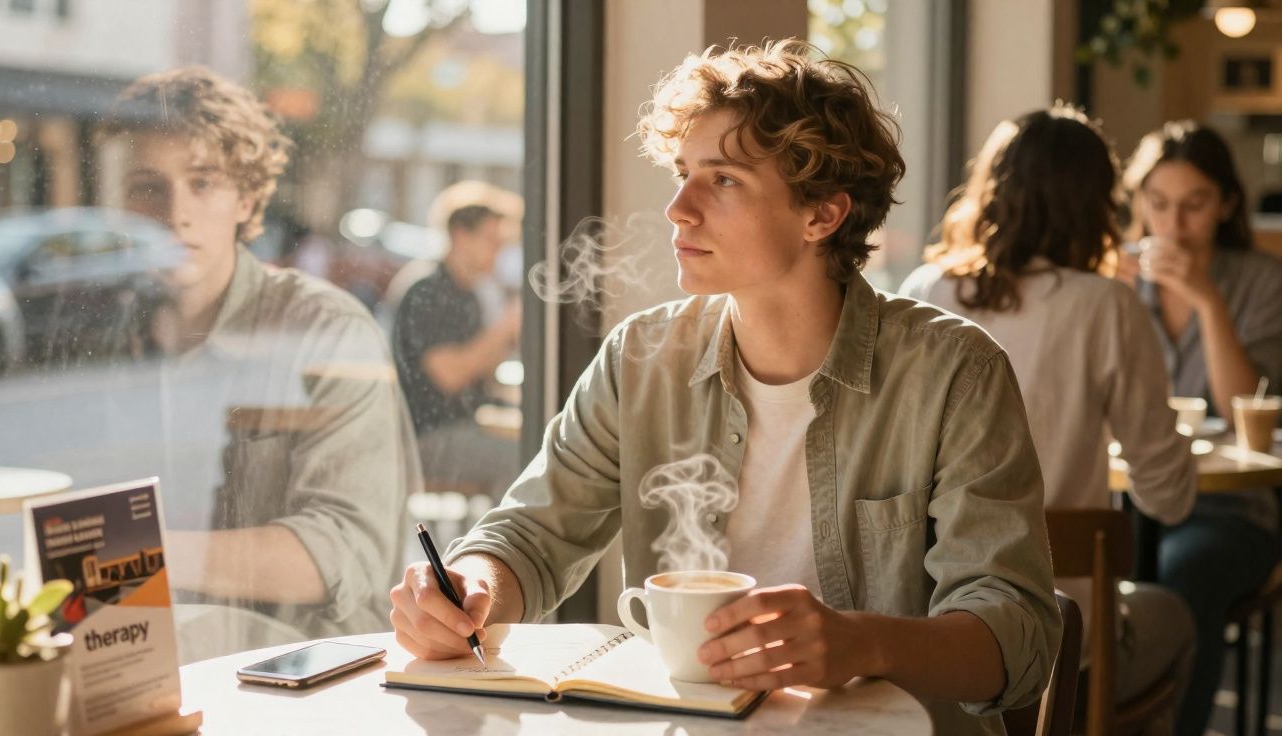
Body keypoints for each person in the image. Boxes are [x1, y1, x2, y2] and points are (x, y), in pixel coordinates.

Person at [390, 40, 1060, 735]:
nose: (679, 207)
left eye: (724, 179)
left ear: (822, 216)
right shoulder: (642, 358)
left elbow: (1016, 639)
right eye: (682, 174)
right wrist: (469, 584)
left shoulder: (954, 372)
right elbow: (530, 536)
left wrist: (863, 643)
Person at [104, 67, 420, 660]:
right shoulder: (118, 336)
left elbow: (344, 549)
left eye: (202, 183)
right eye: (149, 186)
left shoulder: (326, 330)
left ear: (246, 197)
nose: (175, 213)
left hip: (312, 670)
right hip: (163, 656)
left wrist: (142, 556)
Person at [900, 105, 1197, 729]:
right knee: (1173, 615)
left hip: (934, 632)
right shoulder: (1108, 306)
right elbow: (1167, 499)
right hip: (1062, 639)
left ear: (990, 191)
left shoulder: (926, 293)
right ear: (1097, 204)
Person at [1119, 120, 1282, 736]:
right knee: (1091, 565)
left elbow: (1249, 406)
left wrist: (1208, 301)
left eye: (1194, 206)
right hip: (1132, 496)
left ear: (1228, 205)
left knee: (1186, 572)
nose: (1173, 226)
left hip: (1231, 510)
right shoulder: (1117, 281)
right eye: (1157, 204)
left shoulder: (1261, 281)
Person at [391, 189, 521, 499]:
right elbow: (449, 376)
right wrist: (506, 327)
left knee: (541, 443)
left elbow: (482, 368)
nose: (499, 252)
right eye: (493, 242)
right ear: (461, 236)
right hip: (424, 438)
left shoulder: (470, 295)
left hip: (459, 428)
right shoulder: (427, 292)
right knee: (522, 459)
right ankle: (502, 546)